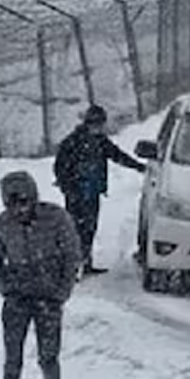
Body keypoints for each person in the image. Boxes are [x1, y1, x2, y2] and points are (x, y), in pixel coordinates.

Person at [0, 171, 82, 379]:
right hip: (17, 300)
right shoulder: (2, 224)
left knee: (48, 357)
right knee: (12, 362)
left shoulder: (56, 218)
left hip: (49, 298)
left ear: (33, 197)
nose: (18, 209)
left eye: (23, 202)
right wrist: (6, 288)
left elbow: (72, 254)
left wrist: (62, 291)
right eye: (11, 204)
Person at [53, 105, 146, 275]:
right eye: (96, 123)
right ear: (88, 123)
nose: (99, 127)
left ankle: (85, 262)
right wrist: (68, 187)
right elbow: (60, 166)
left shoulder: (100, 141)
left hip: (92, 192)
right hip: (76, 193)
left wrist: (139, 167)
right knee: (75, 230)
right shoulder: (73, 142)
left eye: (100, 124)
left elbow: (117, 155)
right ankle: (71, 266)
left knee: (89, 228)